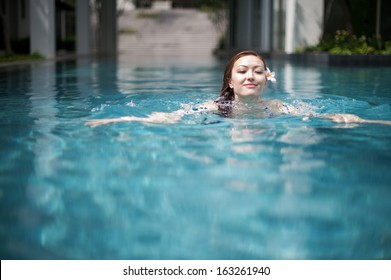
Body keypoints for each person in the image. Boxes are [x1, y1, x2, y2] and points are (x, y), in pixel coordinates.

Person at [85, 50, 391, 127]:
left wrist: (363, 120)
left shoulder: (279, 109)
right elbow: (169, 118)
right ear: (230, 80)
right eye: (242, 71)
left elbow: (328, 116)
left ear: (266, 79)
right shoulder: (214, 107)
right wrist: (123, 119)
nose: (251, 76)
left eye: (258, 71)